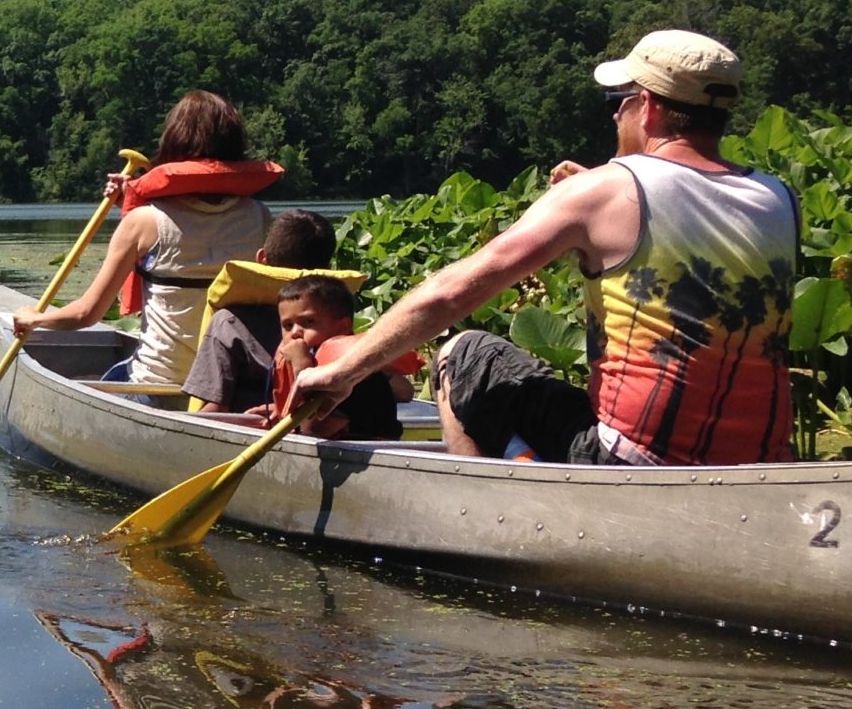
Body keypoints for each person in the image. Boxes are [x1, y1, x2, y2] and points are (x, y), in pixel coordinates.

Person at [288, 30, 798, 465]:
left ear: (647, 105)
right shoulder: (778, 197)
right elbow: (677, 205)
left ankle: (481, 516)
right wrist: (596, 184)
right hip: (762, 461)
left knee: (466, 354)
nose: (615, 114)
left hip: (632, 459)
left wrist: (342, 373)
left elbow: (450, 294)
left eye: (618, 101)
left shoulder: (604, 191)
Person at [12, 91, 280, 388]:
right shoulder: (260, 217)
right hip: (229, 387)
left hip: (160, 383)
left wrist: (34, 319)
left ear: (173, 143)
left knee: (111, 377)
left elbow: (86, 314)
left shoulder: (144, 223)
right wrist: (132, 202)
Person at [184, 209, 338, 415]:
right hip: (317, 421)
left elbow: (216, 408)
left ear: (261, 259)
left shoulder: (229, 322)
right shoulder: (332, 317)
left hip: (253, 427)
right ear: (326, 269)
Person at [266, 275, 404, 439]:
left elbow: (313, 428)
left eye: (308, 321)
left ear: (343, 327)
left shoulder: (350, 368)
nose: (295, 332)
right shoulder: (316, 356)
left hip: (372, 455)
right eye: (288, 325)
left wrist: (300, 364)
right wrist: (281, 409)